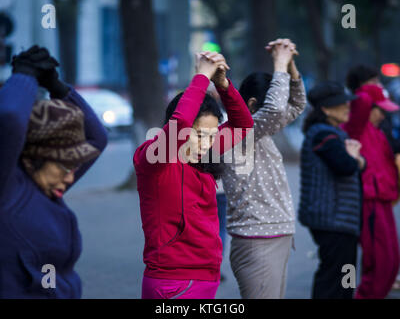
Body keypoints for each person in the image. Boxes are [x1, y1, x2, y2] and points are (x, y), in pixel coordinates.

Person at [134, 51, 254, 299]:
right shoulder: (155, 158)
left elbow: (243, 125)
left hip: (204, 277)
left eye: (212, 135)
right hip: (172, 282)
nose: (207, 143)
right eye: (199, 134)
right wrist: (201, 76)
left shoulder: (202, 154)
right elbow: (179, 126)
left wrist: (222, 84)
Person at [0, 46, 108, 298]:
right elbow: (9, 120)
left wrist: (57, 87)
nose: (71, 177)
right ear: (35, 158)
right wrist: (24, 75)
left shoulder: (44, 188)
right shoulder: (8, 188)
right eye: (63, 166)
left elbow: (97, 139)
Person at [221, 38, 306, 299]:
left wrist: (290, 68)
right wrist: (279, 63)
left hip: (274, 235)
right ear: (252, 105)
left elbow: (296, 105)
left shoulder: (260, 131)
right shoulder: (235, 133)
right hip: (256, 239)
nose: (277, 116)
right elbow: (275, 109)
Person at [298, 81, 365, 299]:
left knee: (346, 274)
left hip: (341, 221)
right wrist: (355, 158)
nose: (347, 107)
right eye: (342, 104)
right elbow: (345, 166)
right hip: (332, 220)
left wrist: (356, 159)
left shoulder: (332, 133)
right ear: (326, 109)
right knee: (333, 277)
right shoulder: (323, 135)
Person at [342, 70, 400, 298]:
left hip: (382, 200)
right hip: (369, 201)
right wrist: (371, 87)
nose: (383, 115)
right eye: (380, 109)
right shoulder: (356, 128)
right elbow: (363, 101)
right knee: (379, 263)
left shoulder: (377, 132)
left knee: (392, 261)